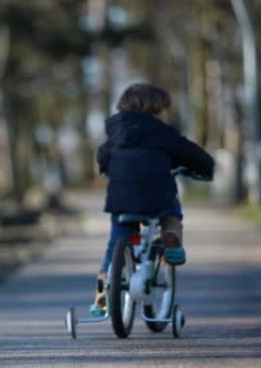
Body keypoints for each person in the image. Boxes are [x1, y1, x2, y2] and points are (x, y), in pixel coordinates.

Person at [92, 83, 215, 315]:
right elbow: (190, 153)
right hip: (157, 198)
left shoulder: (115, 132)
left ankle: (103, 290)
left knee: (115, 242)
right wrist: (207, 167)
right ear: (156, 108)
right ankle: (172, 236)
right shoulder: (162, 132)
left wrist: (108, 168)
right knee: (172, 209)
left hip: (121, 200)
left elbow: (102, 155)